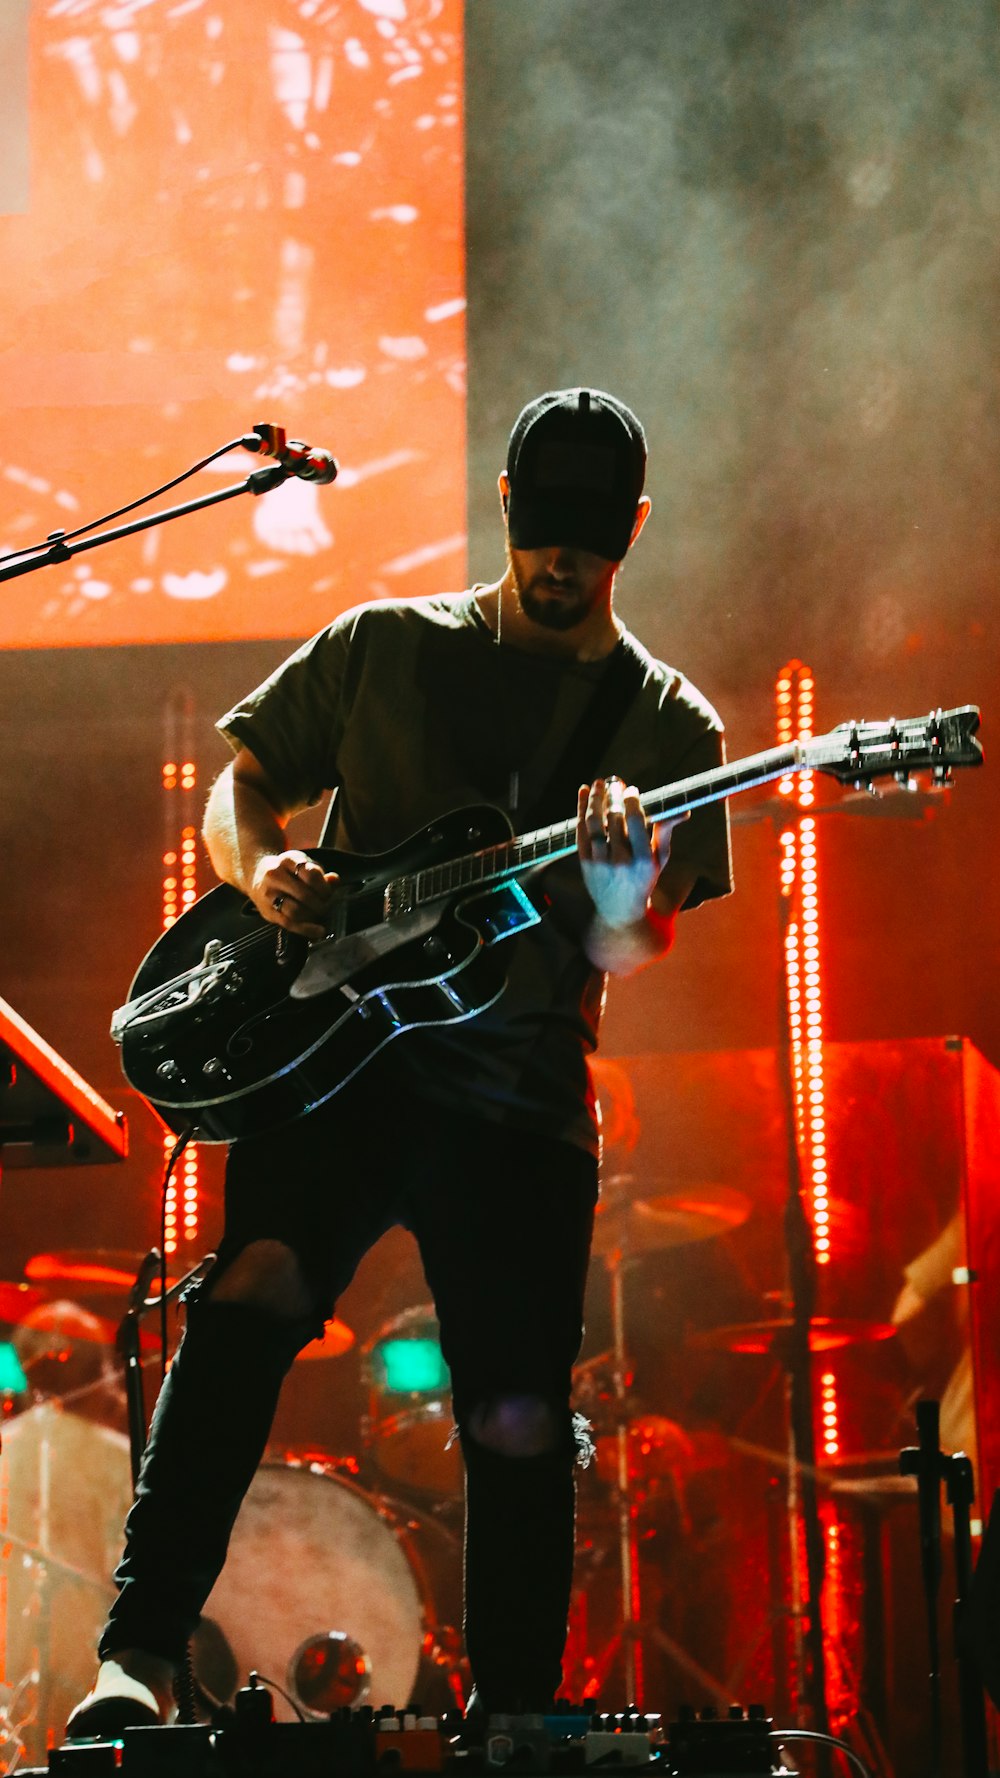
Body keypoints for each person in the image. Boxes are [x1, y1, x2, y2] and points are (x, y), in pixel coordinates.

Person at [68, 386, 733, 1735]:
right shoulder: (383, 646)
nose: (565, 565)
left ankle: (515, 1709)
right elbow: (237, 783)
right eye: (547, 534)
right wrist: (265, 876)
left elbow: (633, 951)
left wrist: (618, 892)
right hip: (341, 1063)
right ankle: (132, 1657)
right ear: (506, 510)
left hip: (518, 1097)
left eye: (593, 544)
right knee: (249, 1292)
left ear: (635, 533)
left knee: (517, 1401)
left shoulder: (671, 727)